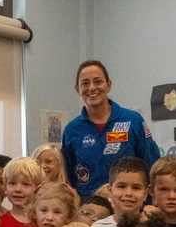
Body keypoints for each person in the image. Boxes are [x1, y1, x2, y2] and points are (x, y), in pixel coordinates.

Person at [62, 60, 160, 200]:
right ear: (77, 89)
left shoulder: (133, 121)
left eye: (98, 81)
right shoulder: (71, 131)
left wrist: (151, 206)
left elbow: (153, 167)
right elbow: (69, 178)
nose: (92, 88)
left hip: (130, 206)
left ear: (108, 85)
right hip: (90, 209)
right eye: (85, 83)